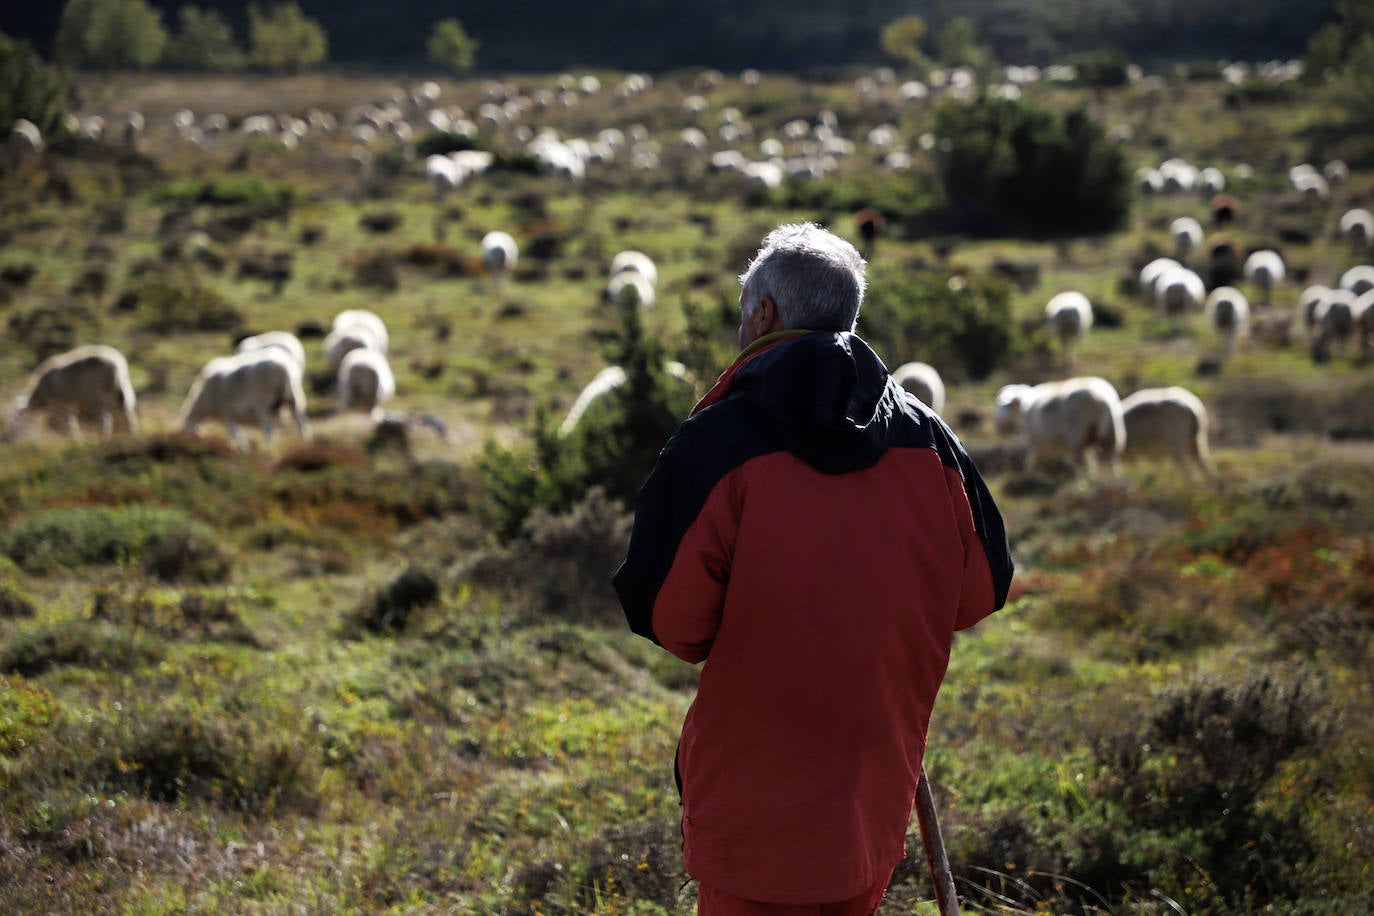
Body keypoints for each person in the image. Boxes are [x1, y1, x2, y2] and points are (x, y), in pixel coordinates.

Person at [612, 222, 1014, 915]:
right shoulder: (930, 441)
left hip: (754, 808)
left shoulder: (718, 445)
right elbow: (980, 591)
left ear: (763, 315)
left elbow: (671, 623)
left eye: (744, 315)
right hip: (872, 791)